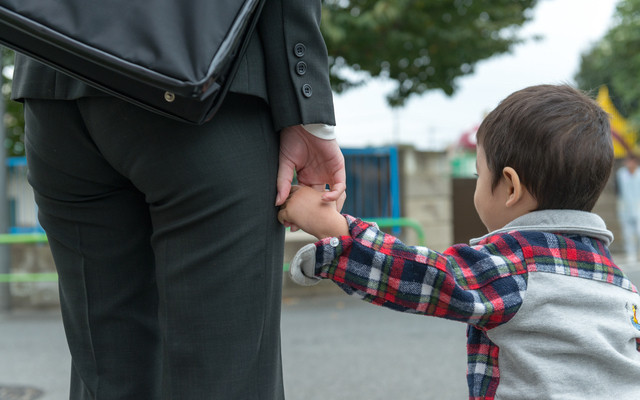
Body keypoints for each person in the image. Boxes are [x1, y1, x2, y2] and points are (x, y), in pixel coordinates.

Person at [11, 1, 345, 399]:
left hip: (54, 75)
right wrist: (307, 114)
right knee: (224, 375)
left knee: (107, 374)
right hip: (205, 83)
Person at [278, 84, 640, 399]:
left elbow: (426, 277)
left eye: (478, 174)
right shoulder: (621, 288)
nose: (476, 183)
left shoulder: (519, 266)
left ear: (510, 187)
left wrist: (333, 227)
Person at [616, 153, 640, 263]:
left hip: (638, 206)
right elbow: (618, 190)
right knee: (628, 233)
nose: (629, 164)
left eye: (632, 161)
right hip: (625, 207)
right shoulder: (621, 174)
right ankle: (631, 255)